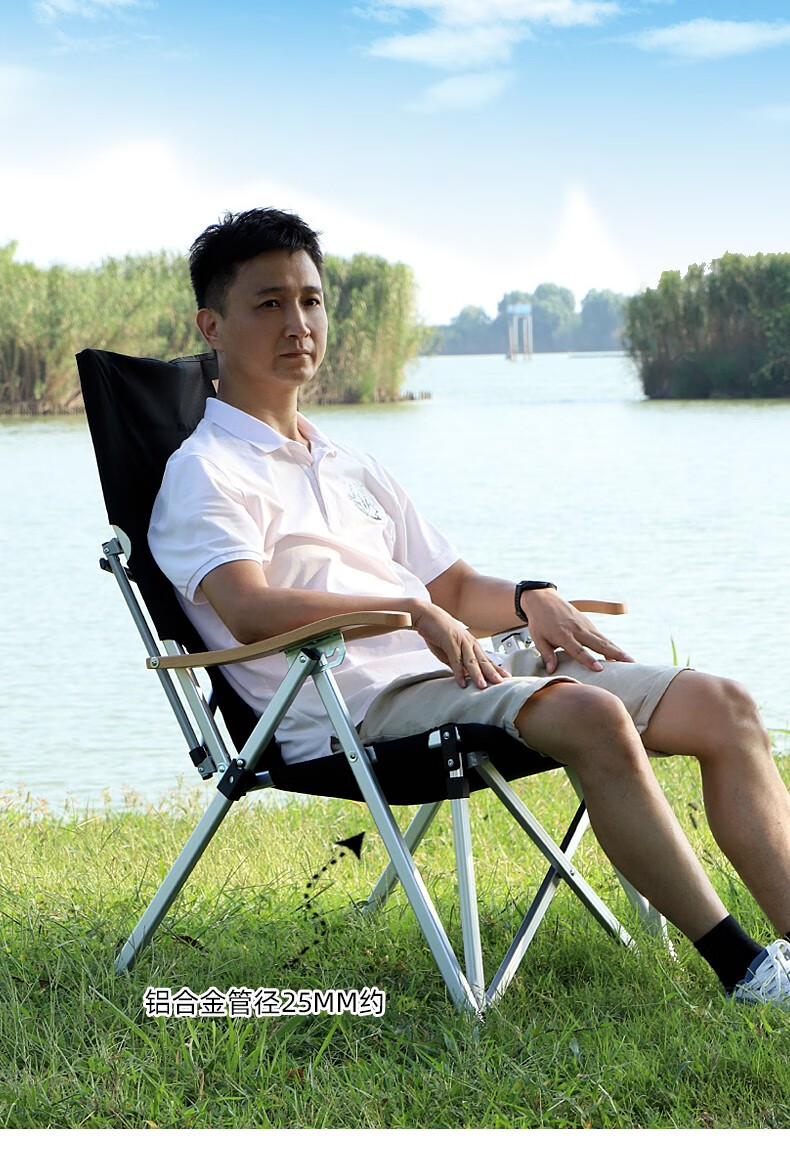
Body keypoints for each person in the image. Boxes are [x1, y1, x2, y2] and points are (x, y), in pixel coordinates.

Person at [149, 207, 790, 1006]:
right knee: (592, 714)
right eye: (269, 303)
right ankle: (748, 972)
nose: (298, 323)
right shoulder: (205, 470)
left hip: (460, 668)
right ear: (212, 325)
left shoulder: (346, 459)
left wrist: (529, 596)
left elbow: (452, 589)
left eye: (311, 300)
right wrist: (404, 610)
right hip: (354, 706)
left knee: (724, 705)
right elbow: (246, 609)